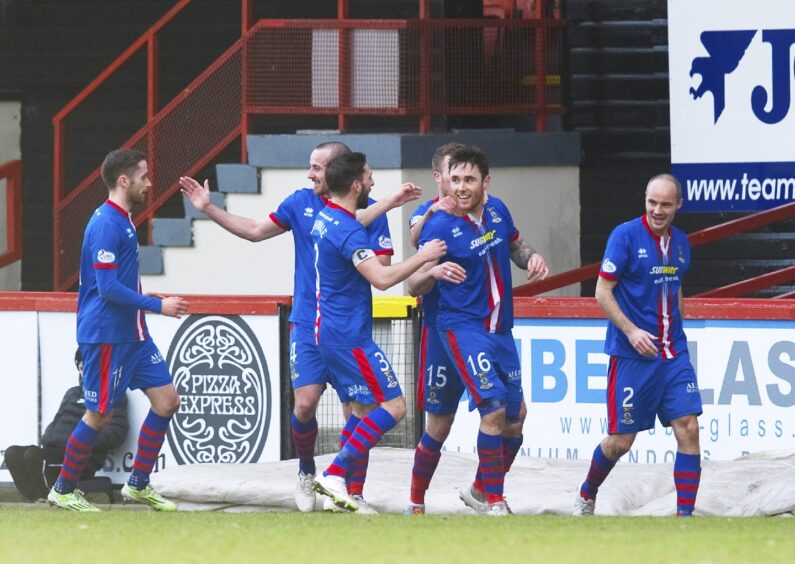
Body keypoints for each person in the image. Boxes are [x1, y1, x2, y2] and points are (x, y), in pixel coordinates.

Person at [179, 142, 420, 513]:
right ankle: (309, 473)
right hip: (309, 323)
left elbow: (380, 266)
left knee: (357, 408)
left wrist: (383, 208)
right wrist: (209, 208)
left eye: (317, 168)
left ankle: (350, 493)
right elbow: (256, 230)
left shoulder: (365, 212)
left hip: (344, 323)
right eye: (310, 167)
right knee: (306, 404)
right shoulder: (301, 203)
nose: (310, 175)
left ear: (338, 172)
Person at [47, 148, 189, 512]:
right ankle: (63, 489)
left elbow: (116, 283)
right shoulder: (107, 223)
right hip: (108, 334)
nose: (149, 182)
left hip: (134, 334)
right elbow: (107, 289)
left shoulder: (123, 218)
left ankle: (138, 484)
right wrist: (159, 305)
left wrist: (148, 303)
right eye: (143, 176)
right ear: (124, 180)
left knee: (167, 400)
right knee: (99, 414)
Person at [415, 145, 549, 516]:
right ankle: (491, 500)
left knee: (515, 416)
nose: (460, 187)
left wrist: (530, 257)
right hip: (460, 327)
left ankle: (479, 489)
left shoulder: (498, 210)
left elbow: (516, 244)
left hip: (500, 328)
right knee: (486, 408)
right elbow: (412, 283)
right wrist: (432, 271)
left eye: (469, 179)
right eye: (454, 179)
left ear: (485, 182)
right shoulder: (438, 222)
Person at [310, 151, 446, 512]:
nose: (372, 181)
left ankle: (346, 496)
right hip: (349, 336)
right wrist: (425, 256)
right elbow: (383, 278)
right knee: (395, 406)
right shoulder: (348, 230)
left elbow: (356, 217)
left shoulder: (329, 216)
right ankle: (334, 473)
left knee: (361, 410)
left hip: (330, 332)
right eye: (369, 176)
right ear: (356, 184)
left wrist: (390, 201)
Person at [573, 173, 702, 517]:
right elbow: (602, 291)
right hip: (631, 354)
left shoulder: (680, 243)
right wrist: (631, 331)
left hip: (673, 353)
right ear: (645, 200)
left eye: (665, 204)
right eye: (652, 202)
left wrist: (680, 320)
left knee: (688, 427)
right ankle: (587, 493)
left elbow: (675, 287)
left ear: (678, 205)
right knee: (621, 441)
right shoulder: (625, 236)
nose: (657, 210)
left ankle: (684, 519)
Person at [5, 349, 128, 502]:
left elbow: (117, 433)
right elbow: (56, 422)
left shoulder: (114, 394)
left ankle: (50, 497)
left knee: (33, 455)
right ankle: (38, 499)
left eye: (90, 368)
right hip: (55, 451)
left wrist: (78, 440)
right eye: (83, 368)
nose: (86, 373)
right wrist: (49, 438)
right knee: (12, 453)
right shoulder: (72, 393)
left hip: (82, 456)